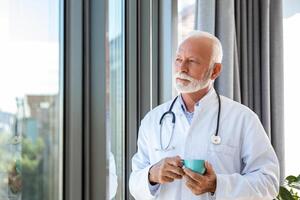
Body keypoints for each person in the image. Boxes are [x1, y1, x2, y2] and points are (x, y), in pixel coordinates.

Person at [129, 31, 279, 200]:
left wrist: (217, 185)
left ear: (215, 70)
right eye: (179, 60)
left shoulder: (243, 119)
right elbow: (134, 181)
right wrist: (152, 175)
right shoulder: (153, 120)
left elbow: (268, 183)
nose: (182, 68)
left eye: (192, 61)